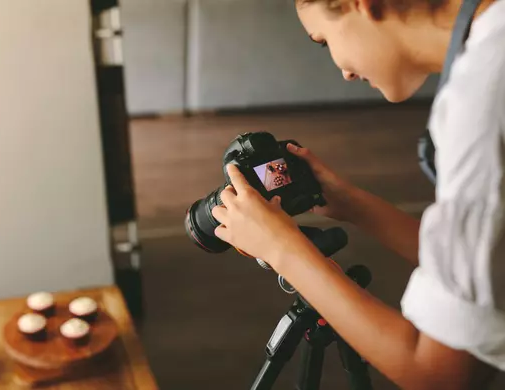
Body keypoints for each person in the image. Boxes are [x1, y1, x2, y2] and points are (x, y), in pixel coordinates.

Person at [211, 0, 505, 388]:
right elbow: (492, 263)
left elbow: (443, 375)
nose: (344, 71)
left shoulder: (482, 97)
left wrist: (283, 250)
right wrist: (350, 203)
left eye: (323, 40)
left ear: (359, 4)